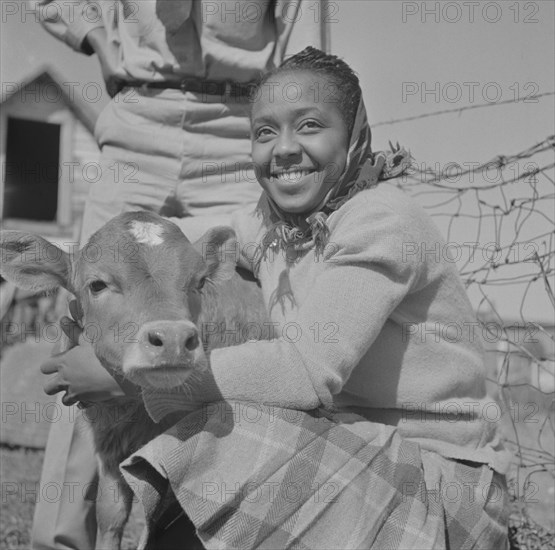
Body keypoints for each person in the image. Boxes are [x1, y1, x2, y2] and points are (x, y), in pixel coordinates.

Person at [134, 47, 512, 548]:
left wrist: (143, 380)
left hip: (441, 478)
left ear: (355, 134)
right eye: (264, 132)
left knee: (220, 430)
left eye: (310, 125)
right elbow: (171, 238)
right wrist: (97, 253)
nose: (284, 148)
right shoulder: (276, 226)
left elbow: (306, 371)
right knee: (206, 456)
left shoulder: (381, 220)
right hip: (354, 446)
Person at [30, 1, 322, 548]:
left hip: (237, 133)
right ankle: (65, 541)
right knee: (90, 336)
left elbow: (305, 28)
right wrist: (96, 35)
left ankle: (211, 533)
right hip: (139, 115)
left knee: (241, 321)